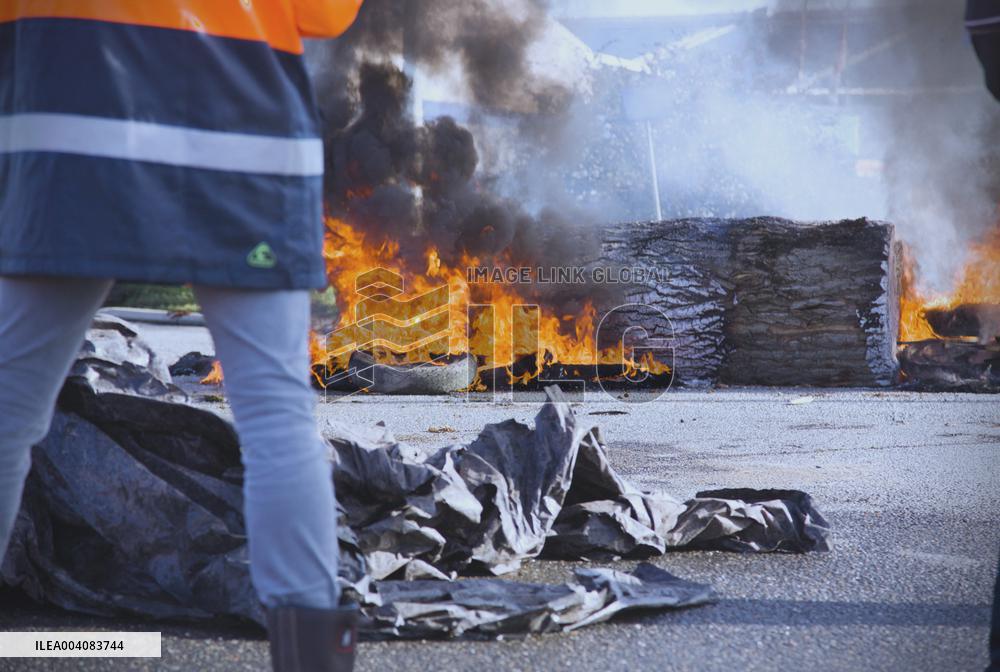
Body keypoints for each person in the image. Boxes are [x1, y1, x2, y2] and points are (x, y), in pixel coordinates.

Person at [0, 2, 363, 670]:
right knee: (277, 421)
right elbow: (325, 14)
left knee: (7, 411)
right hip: (241, 143)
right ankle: (313, 659)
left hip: (74, 136)